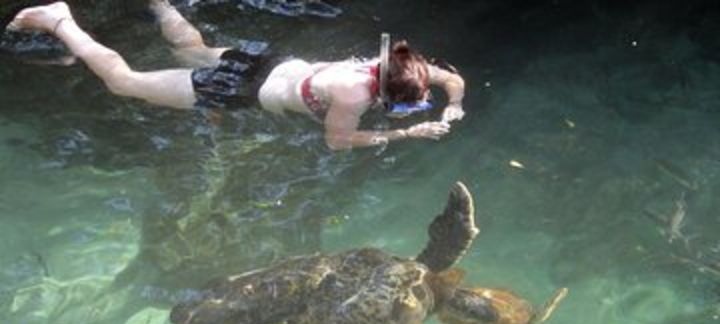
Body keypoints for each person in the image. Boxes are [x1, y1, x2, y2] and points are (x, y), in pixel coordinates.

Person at [7, 1, 466, 150]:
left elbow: (451, 81)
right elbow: (337, 142)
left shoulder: (387, 62)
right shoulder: (352, 96)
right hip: (240, 89)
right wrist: (408, 132)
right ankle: (58, 18)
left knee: (192, 49)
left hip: (267, 62)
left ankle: (159, 3)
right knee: (124, 83)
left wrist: (457, 101)